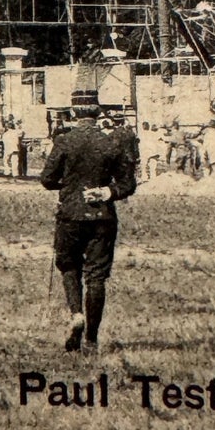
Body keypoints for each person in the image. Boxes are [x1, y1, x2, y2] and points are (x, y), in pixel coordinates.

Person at [40, 87, 137, 353]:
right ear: (98, 112)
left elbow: (47, 179)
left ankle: (76, 314)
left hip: (70, 213)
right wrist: (107, 192)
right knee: (96, 276)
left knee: (69, 265)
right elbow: (128, 184)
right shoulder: (112, 142)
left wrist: (68, 187)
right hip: (102, 215)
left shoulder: (65, 141)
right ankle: (92, 340)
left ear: (73, 112)